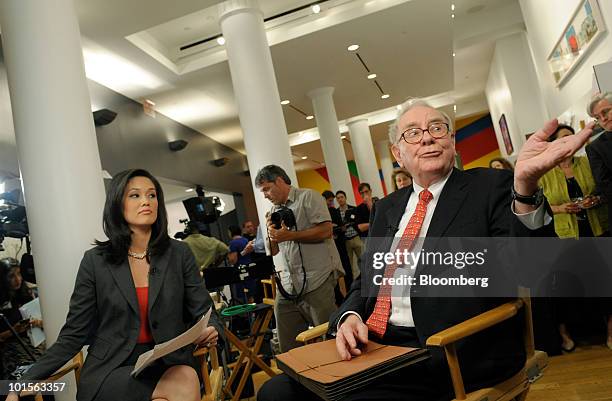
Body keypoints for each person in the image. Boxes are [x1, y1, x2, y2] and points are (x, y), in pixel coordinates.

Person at [258, 98, 593, 401]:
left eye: (436, 128)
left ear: (451, 139)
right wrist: (348, 317)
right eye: (413, 133)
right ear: (397, 153)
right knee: (275, 392)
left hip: (448, 351)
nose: (428, 138)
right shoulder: (386, 208)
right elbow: (366, 282)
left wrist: (525, 189)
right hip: (375, 348)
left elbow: (532, 270)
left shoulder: (490, 187)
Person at [6, 169, 223, 401]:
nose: (146, 202)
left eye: (152, 195)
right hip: (112, 369)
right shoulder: (95, 261)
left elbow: (205, 311)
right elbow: (73, 334)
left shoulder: (179, 253)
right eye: (135, 195)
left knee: (183, 379)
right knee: (179, 386)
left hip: (168, 363)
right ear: (117, 204)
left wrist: (211, 329)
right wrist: (25, 381)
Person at [541, 124, 611, 351]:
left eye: (574, 137)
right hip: (565, 237)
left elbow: (603, 188)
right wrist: (561, 208)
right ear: (554, 143)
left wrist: (595, 200)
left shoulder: (588, 162)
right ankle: (566, 335)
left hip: (596, 229)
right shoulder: (546, 172)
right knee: (568, 287)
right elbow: (537, 205)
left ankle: (610, 331)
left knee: (605, 283)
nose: (571, 142)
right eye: (564, 138)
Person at [255, 165, 340, 352]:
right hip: (288, 285)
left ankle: (340, 376)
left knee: (329, 336)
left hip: (317, 278)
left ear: (279, 180)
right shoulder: (273, 212)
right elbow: (274, 250)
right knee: (288, 343)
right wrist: (272, 233)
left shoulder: (308, 197)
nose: (265, 195)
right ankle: (296, 378)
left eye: (267, 189)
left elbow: (327, 230)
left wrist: (290, 236)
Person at [0, 258, 44, 380]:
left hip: (35, 343)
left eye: (19, 274)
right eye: (11, 276)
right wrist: (13, 330)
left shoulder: (28, 294)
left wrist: (37, 322)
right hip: (11, 350)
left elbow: (46, 322)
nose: (17, 279)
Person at [586, 92, 612, 237]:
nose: (603, 119)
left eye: (606, 111)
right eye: (597, 117)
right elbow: (604, 184)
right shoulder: (595, 148)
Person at [323, 190, 353, 301]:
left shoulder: (333, 211)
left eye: (332, 201)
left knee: (346, 267)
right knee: (335, 270)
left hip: (340, 242)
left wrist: (336, 227)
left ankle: (349, 291)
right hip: (330, 245)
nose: (331, 203)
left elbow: (341, 226)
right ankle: (339, 295)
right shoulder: (321, 211)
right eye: (329, 201)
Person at [336, 190, 363, 281]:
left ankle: (368, 277)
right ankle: (355, 283)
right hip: (345, 240)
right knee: (350, 264)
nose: (340, 199)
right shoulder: (336, 212)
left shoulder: (353, 209)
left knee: (363, 259)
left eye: (341, 197)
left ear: (345, 198)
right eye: (338, 198)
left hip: (356, 237)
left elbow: (358, 220)